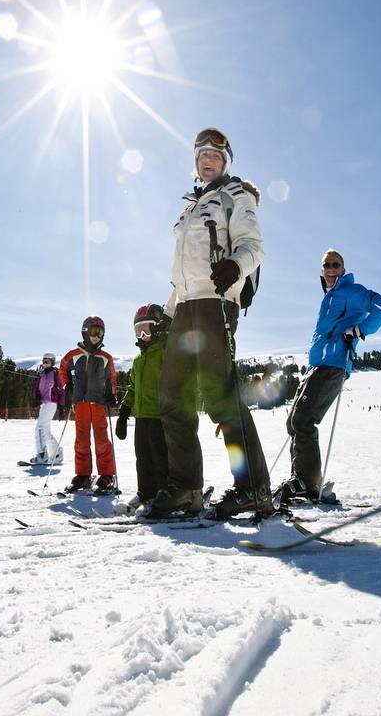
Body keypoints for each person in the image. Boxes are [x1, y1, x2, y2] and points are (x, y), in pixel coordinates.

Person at [148, 128, 271, 520]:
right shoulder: (189, 208)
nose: (208, 160)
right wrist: (167, 316)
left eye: (215, 156)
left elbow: (253, 246)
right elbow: (180, 274)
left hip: (217, 302)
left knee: (220, 397)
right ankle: (186, 488)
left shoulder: (236, 196)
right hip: (186, 307)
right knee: (173, 398)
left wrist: (235, 266)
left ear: (225, 162)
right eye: (202, 155)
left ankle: (252, 487)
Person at [276, 249, 381, 506]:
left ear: (343, 268)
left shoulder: (351, 291)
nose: (330, 268)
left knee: (304, 420)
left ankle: (307, 483)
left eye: (335, 264)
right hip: (318, 366)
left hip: (333, 365)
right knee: (294, 422)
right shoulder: (330, 297)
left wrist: (360, 330)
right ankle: (301, 480)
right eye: (326, 265)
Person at [116, 304, 172, 511]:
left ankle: (162, 492)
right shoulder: (138, 359)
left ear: (158, 328)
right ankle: (145, 492)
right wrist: (124, 412)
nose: (141, 335)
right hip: (141, 417)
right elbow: (132, 387)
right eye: (138, 330)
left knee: (160, 457)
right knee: (142, 457)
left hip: (159, 415)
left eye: (146, 329)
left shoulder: (164, 353)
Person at [59, 317, 119, 494]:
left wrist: (111, 395)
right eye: (93, 331)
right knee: (82, 439)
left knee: (101, 439)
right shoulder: (74, 354)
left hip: (99, 403)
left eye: (100, 333)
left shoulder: (105, 357)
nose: (96, 336)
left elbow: (112, 379)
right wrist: (67, 385)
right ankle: (83, 475)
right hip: (81, 403)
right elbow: (62, 368)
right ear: (85, 331)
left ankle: (106, 475)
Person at [26, 353, 64, 464]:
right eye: (43, 361)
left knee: (40, 428)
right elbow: (37, 388)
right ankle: (57, 453)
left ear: (52, 362)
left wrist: (61, 406)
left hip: (51, 403)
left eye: (47, 361)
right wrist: (35, 398)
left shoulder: (56, 374)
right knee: (45, 430)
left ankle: (42, 455)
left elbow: (61, 390)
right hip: (44, 404)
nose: (45, 363)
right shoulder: (41, 374)